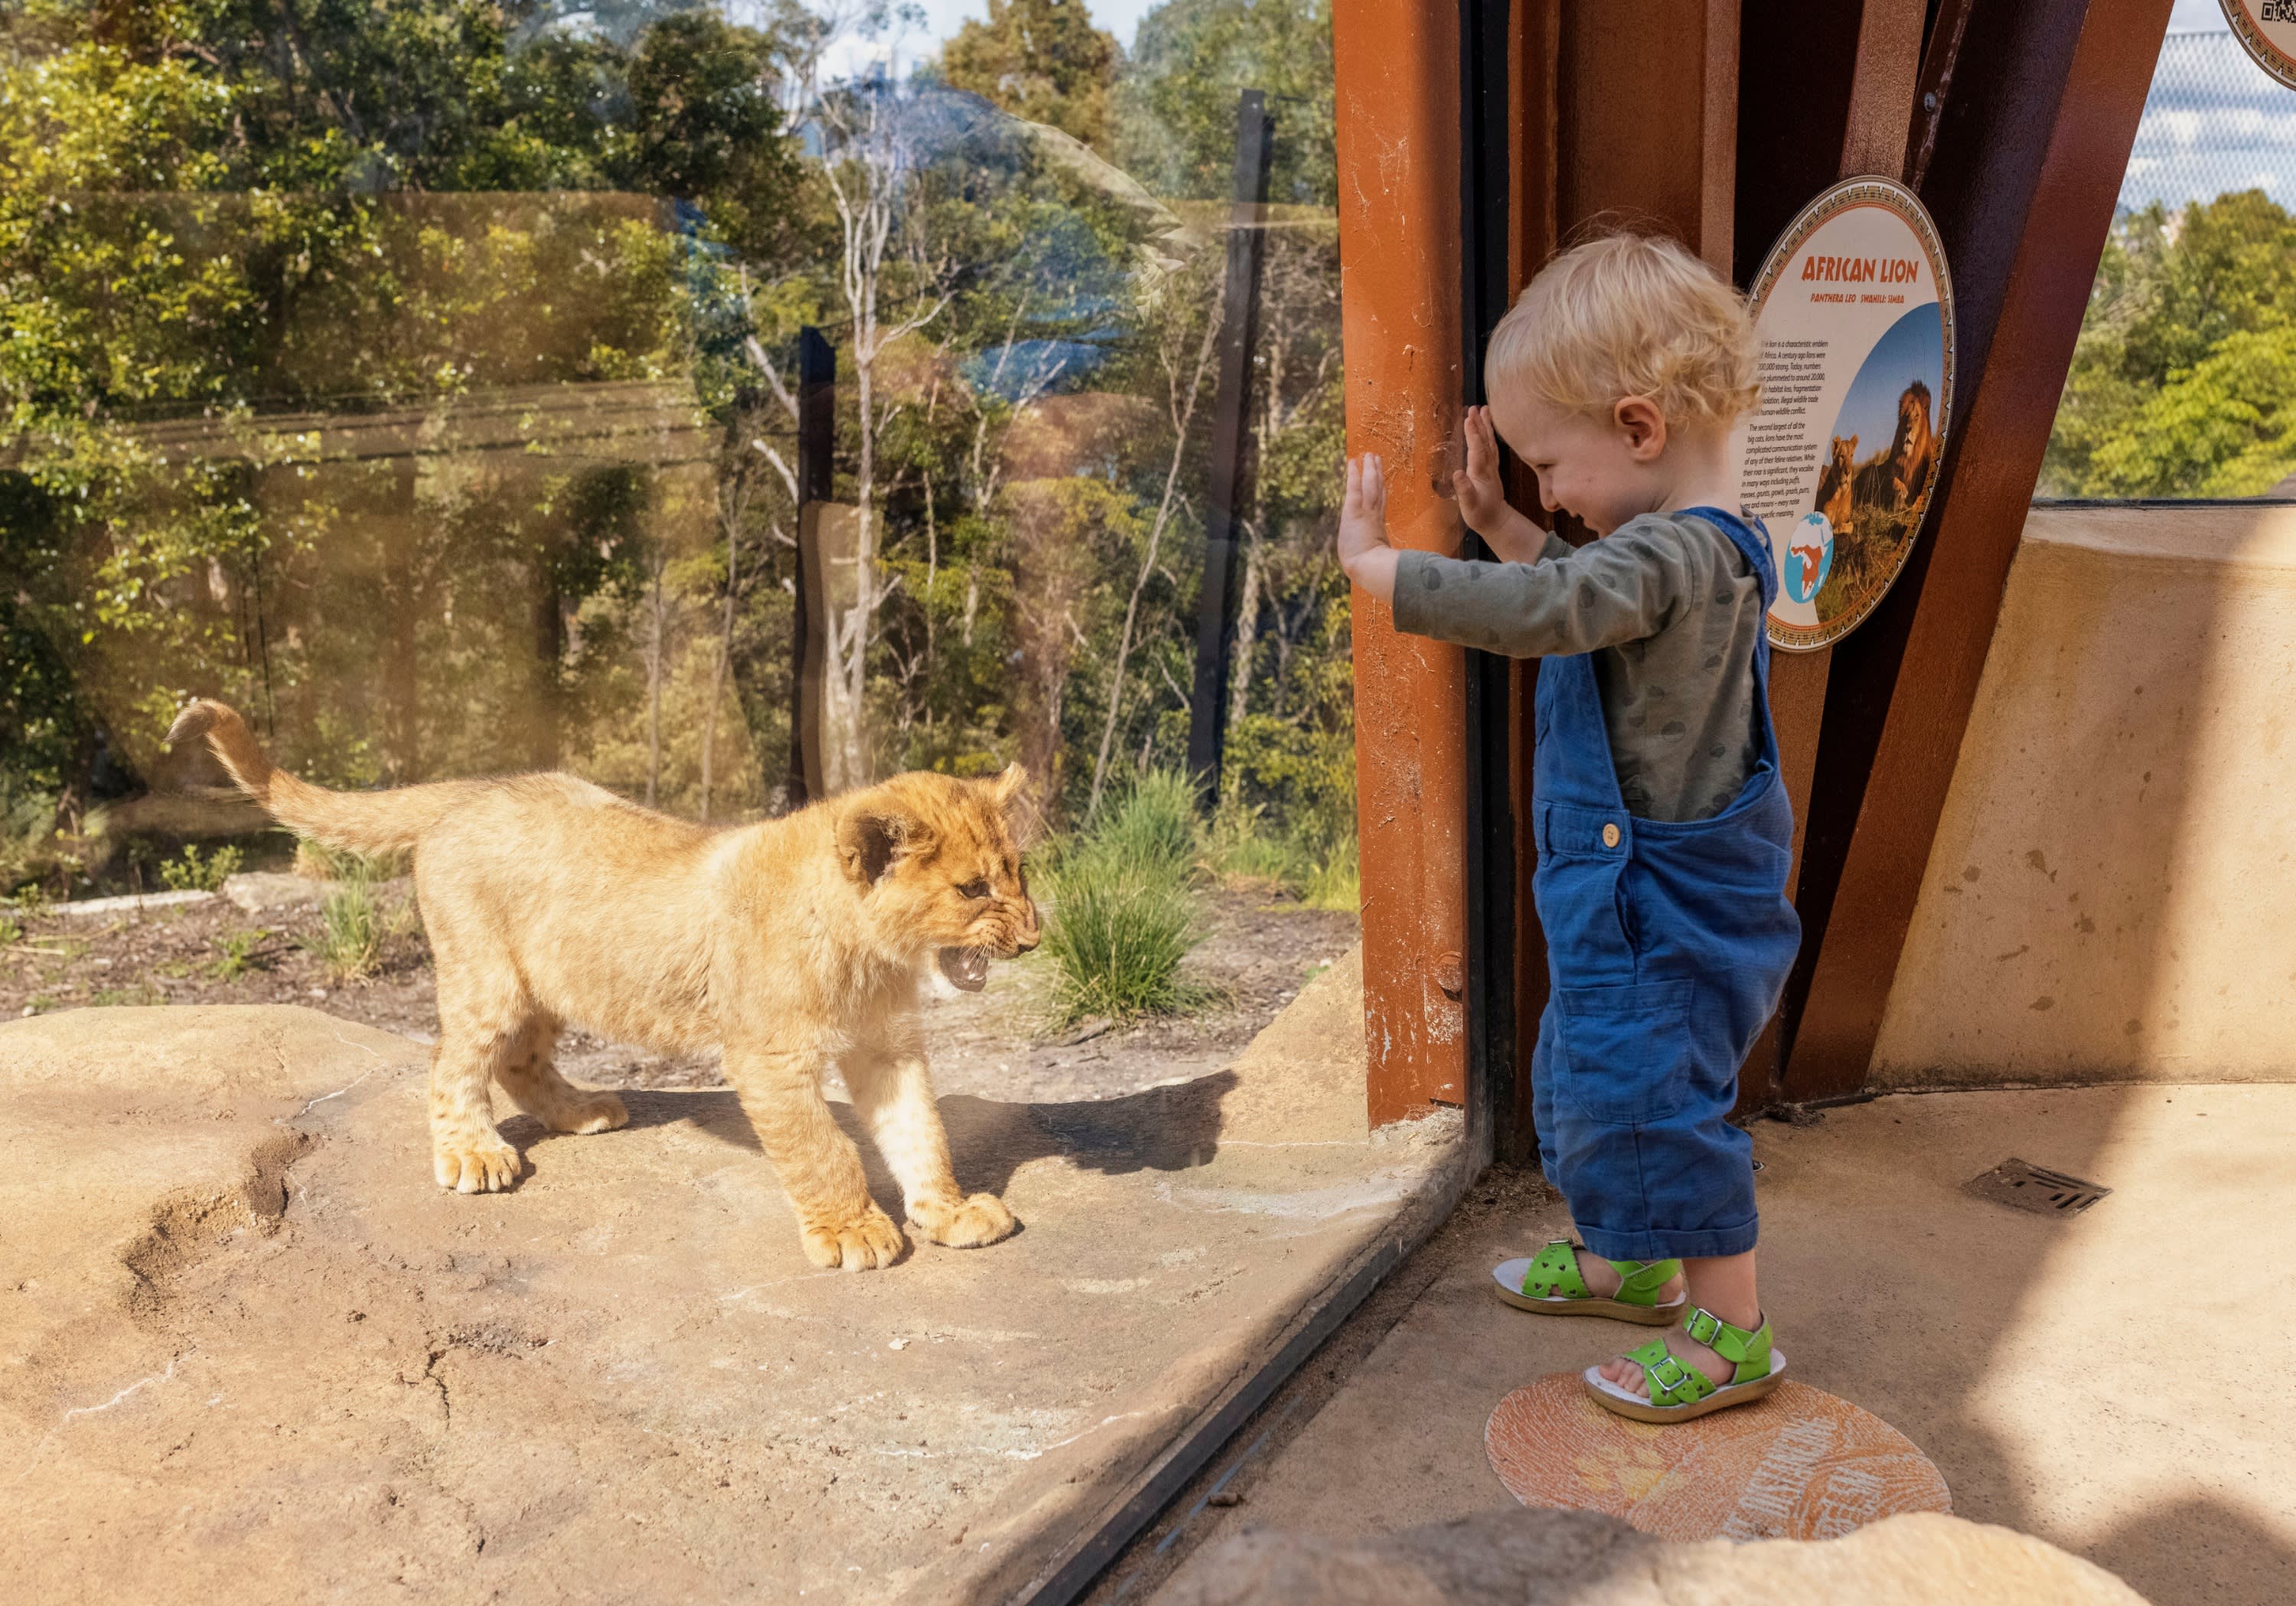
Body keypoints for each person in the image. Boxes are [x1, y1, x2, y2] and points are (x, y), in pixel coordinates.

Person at [1335, 232, 1801, 1424]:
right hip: (1634, 897)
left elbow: (1557, 604)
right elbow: (1580, 594)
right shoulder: (1694, 546)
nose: (1549, 494)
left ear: (1640, 427)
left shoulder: (1677, 551)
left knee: (1656, 1101)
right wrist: (1495, 519)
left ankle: (1732, 1334)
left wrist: (1382, 566)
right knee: (1594, 1078)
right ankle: (1629, 1262)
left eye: (1549, 463)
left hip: (1664, 909)